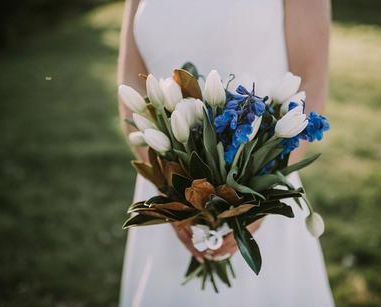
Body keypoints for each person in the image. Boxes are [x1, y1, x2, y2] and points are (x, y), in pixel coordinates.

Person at [118, 0, 334, 306]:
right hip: (168, 187)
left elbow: (311, 82)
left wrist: (251, 202)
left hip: (258, 187)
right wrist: (172, 190)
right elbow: (130, 82)